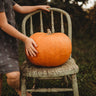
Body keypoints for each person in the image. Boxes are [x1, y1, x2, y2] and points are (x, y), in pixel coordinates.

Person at [0, 0, 50, 96]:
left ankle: (18, 89)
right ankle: (19, 90)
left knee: (13, 75)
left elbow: (21, 8)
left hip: (7, 42)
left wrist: (38, 7)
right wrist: (25, 39)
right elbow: (3, 25)